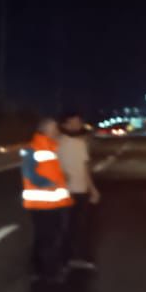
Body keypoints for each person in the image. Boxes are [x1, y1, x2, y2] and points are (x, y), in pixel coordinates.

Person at [21, 118, 72, 283]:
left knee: (43, 237)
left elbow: (49, 171)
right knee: (50, 238)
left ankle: (36, 268)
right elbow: (29, 173)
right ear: (45, 130)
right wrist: (50, 183)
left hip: (54, 202)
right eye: (54, 128)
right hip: (42, 204)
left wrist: (60, 177)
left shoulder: (50, 147)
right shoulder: (32, 149)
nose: (57, 130)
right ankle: (50, 272)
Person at [57, 111, 100, 271]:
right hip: (64, 192)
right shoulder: (57, 143)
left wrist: (92, 189)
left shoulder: (81, 143)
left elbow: (84, 168)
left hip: (81, 190)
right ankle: (64, 259)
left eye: (79, 122)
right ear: (65, 124)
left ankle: (78, 257)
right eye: (74, 122)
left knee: (81, 226)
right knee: (65, 227)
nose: (78, 125)